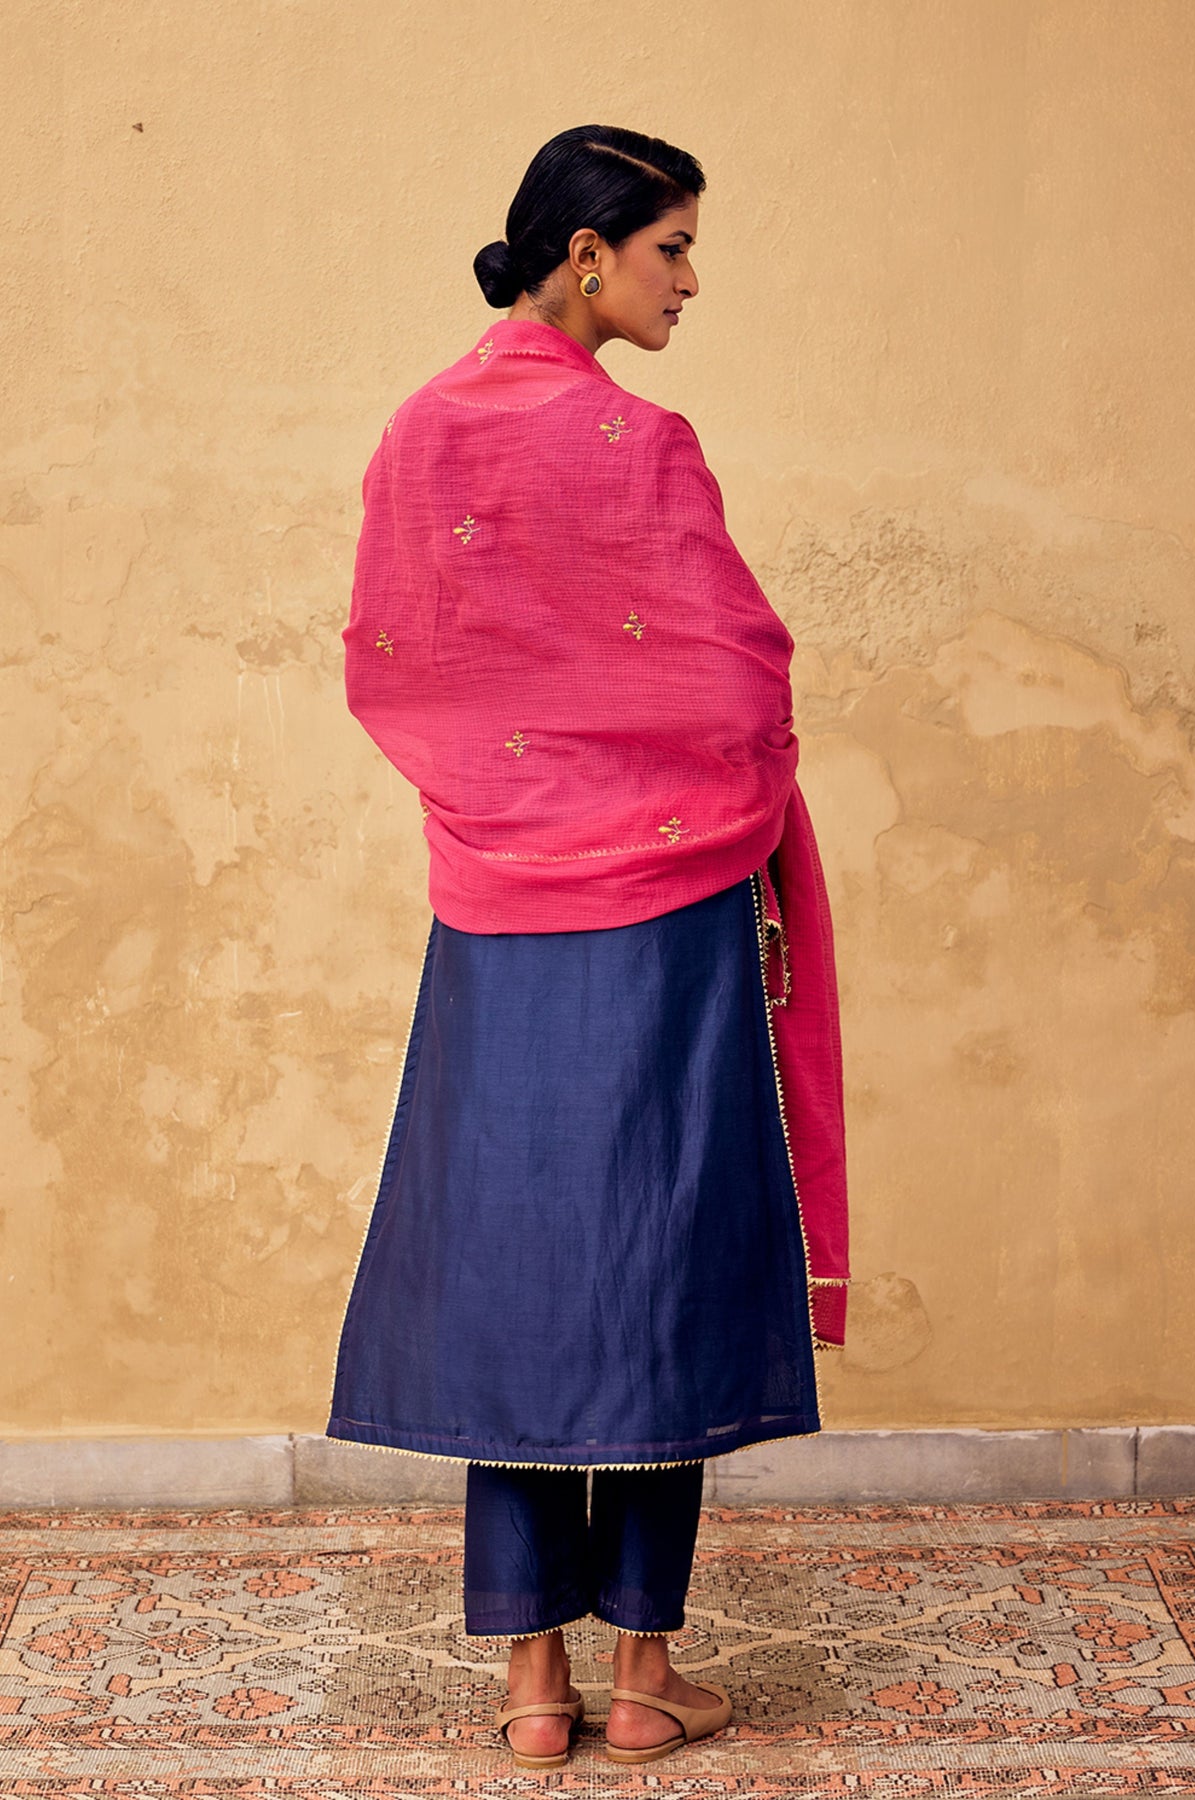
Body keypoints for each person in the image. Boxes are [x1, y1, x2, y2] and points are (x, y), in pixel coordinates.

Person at [326, 123, 849, 1770]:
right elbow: (732, 680)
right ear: (584, 254)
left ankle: (532, 1694)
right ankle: (641, 1685)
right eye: (671, 248)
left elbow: (398, 672)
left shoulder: (420, 435)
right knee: (659, 1257)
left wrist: (520, 804)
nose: (690, 281)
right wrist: (723, 791)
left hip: (500, 911)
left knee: (522, 1268)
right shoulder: (642, 441)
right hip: (671, 903)